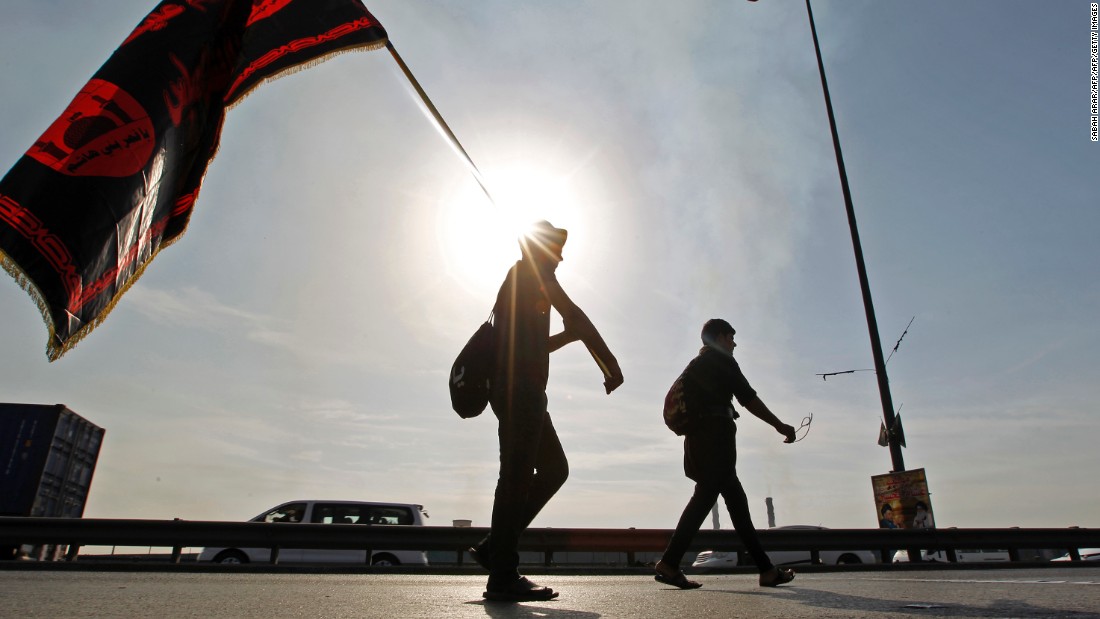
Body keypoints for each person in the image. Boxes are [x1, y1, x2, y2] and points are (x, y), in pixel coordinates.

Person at [470, 220, 624, 602]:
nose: (562, 256)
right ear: (541, 250)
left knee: (554, 469)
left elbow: (526, 347)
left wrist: (565, 338)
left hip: (523, 391)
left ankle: (494, 549)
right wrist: (610, 364)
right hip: (518, 393)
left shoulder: (523, 280)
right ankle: (502, 575)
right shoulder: (531, 273)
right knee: (516, 478)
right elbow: (578, 315)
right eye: (557, 247)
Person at [654, 319, 797, 590]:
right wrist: (780, 425)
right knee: (709, 499)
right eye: (731, 336)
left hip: (698, 439)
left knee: (733, 502)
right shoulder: (721, 361)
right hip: (715, 438)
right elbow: (748, 398)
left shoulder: (697, 364)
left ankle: (766, 570)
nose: (734, 342)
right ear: (720, 337)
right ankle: (670, 563)